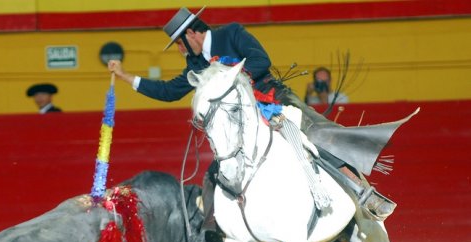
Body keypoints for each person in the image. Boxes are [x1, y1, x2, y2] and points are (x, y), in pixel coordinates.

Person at [107, 6, 396, 222]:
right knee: (218, 168)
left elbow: (261, 61)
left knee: (315, 132)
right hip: (238, 119)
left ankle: (363, 192)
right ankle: (222, 231)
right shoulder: (196, 62)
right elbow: (170, 91)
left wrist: (231, 78)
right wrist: (126, 78)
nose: (180, 50)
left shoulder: (231, 33)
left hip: (273, 97)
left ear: (192, 33)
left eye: (180, 43)